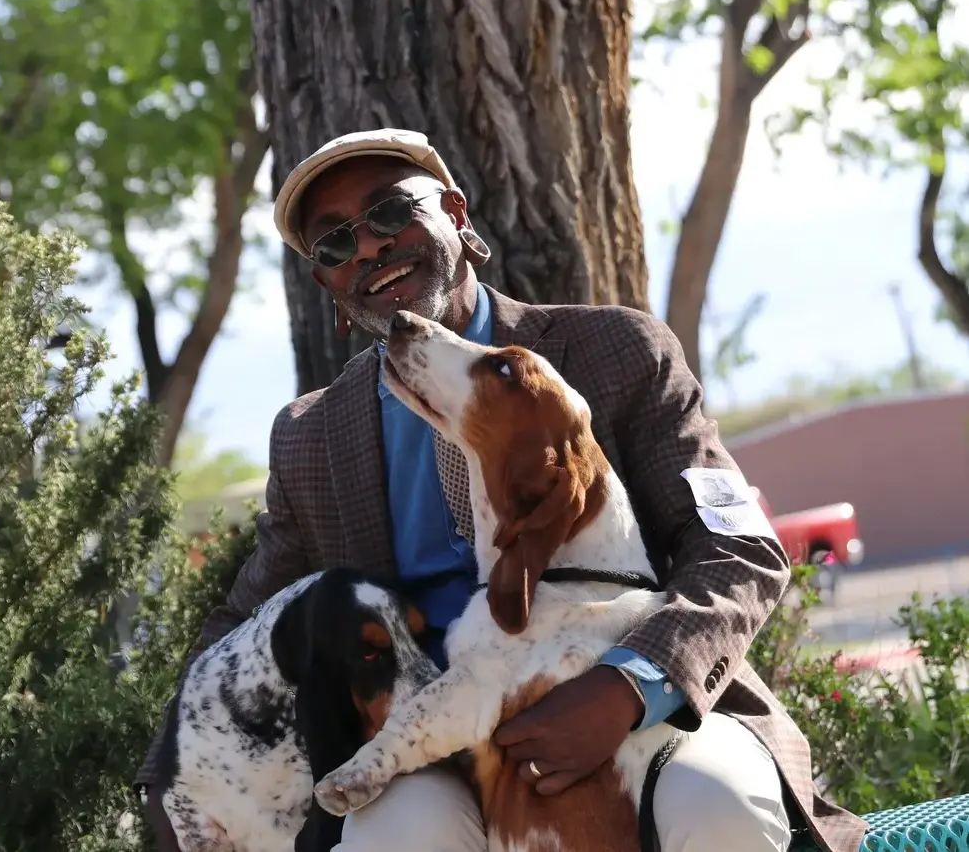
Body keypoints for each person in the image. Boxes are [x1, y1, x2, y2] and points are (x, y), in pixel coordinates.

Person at [136, 128, 867, 852]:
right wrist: (173, 777)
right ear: (327, 285)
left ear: (455, 214)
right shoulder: (311, 437)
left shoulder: (613, 352)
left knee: (715, 807)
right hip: (433, 751)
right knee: (390, 838)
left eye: (390, 212)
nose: (366, 247)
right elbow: (241, 619)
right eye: (333, 245)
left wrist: (626, 687)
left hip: (641, 712)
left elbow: (735, 548)